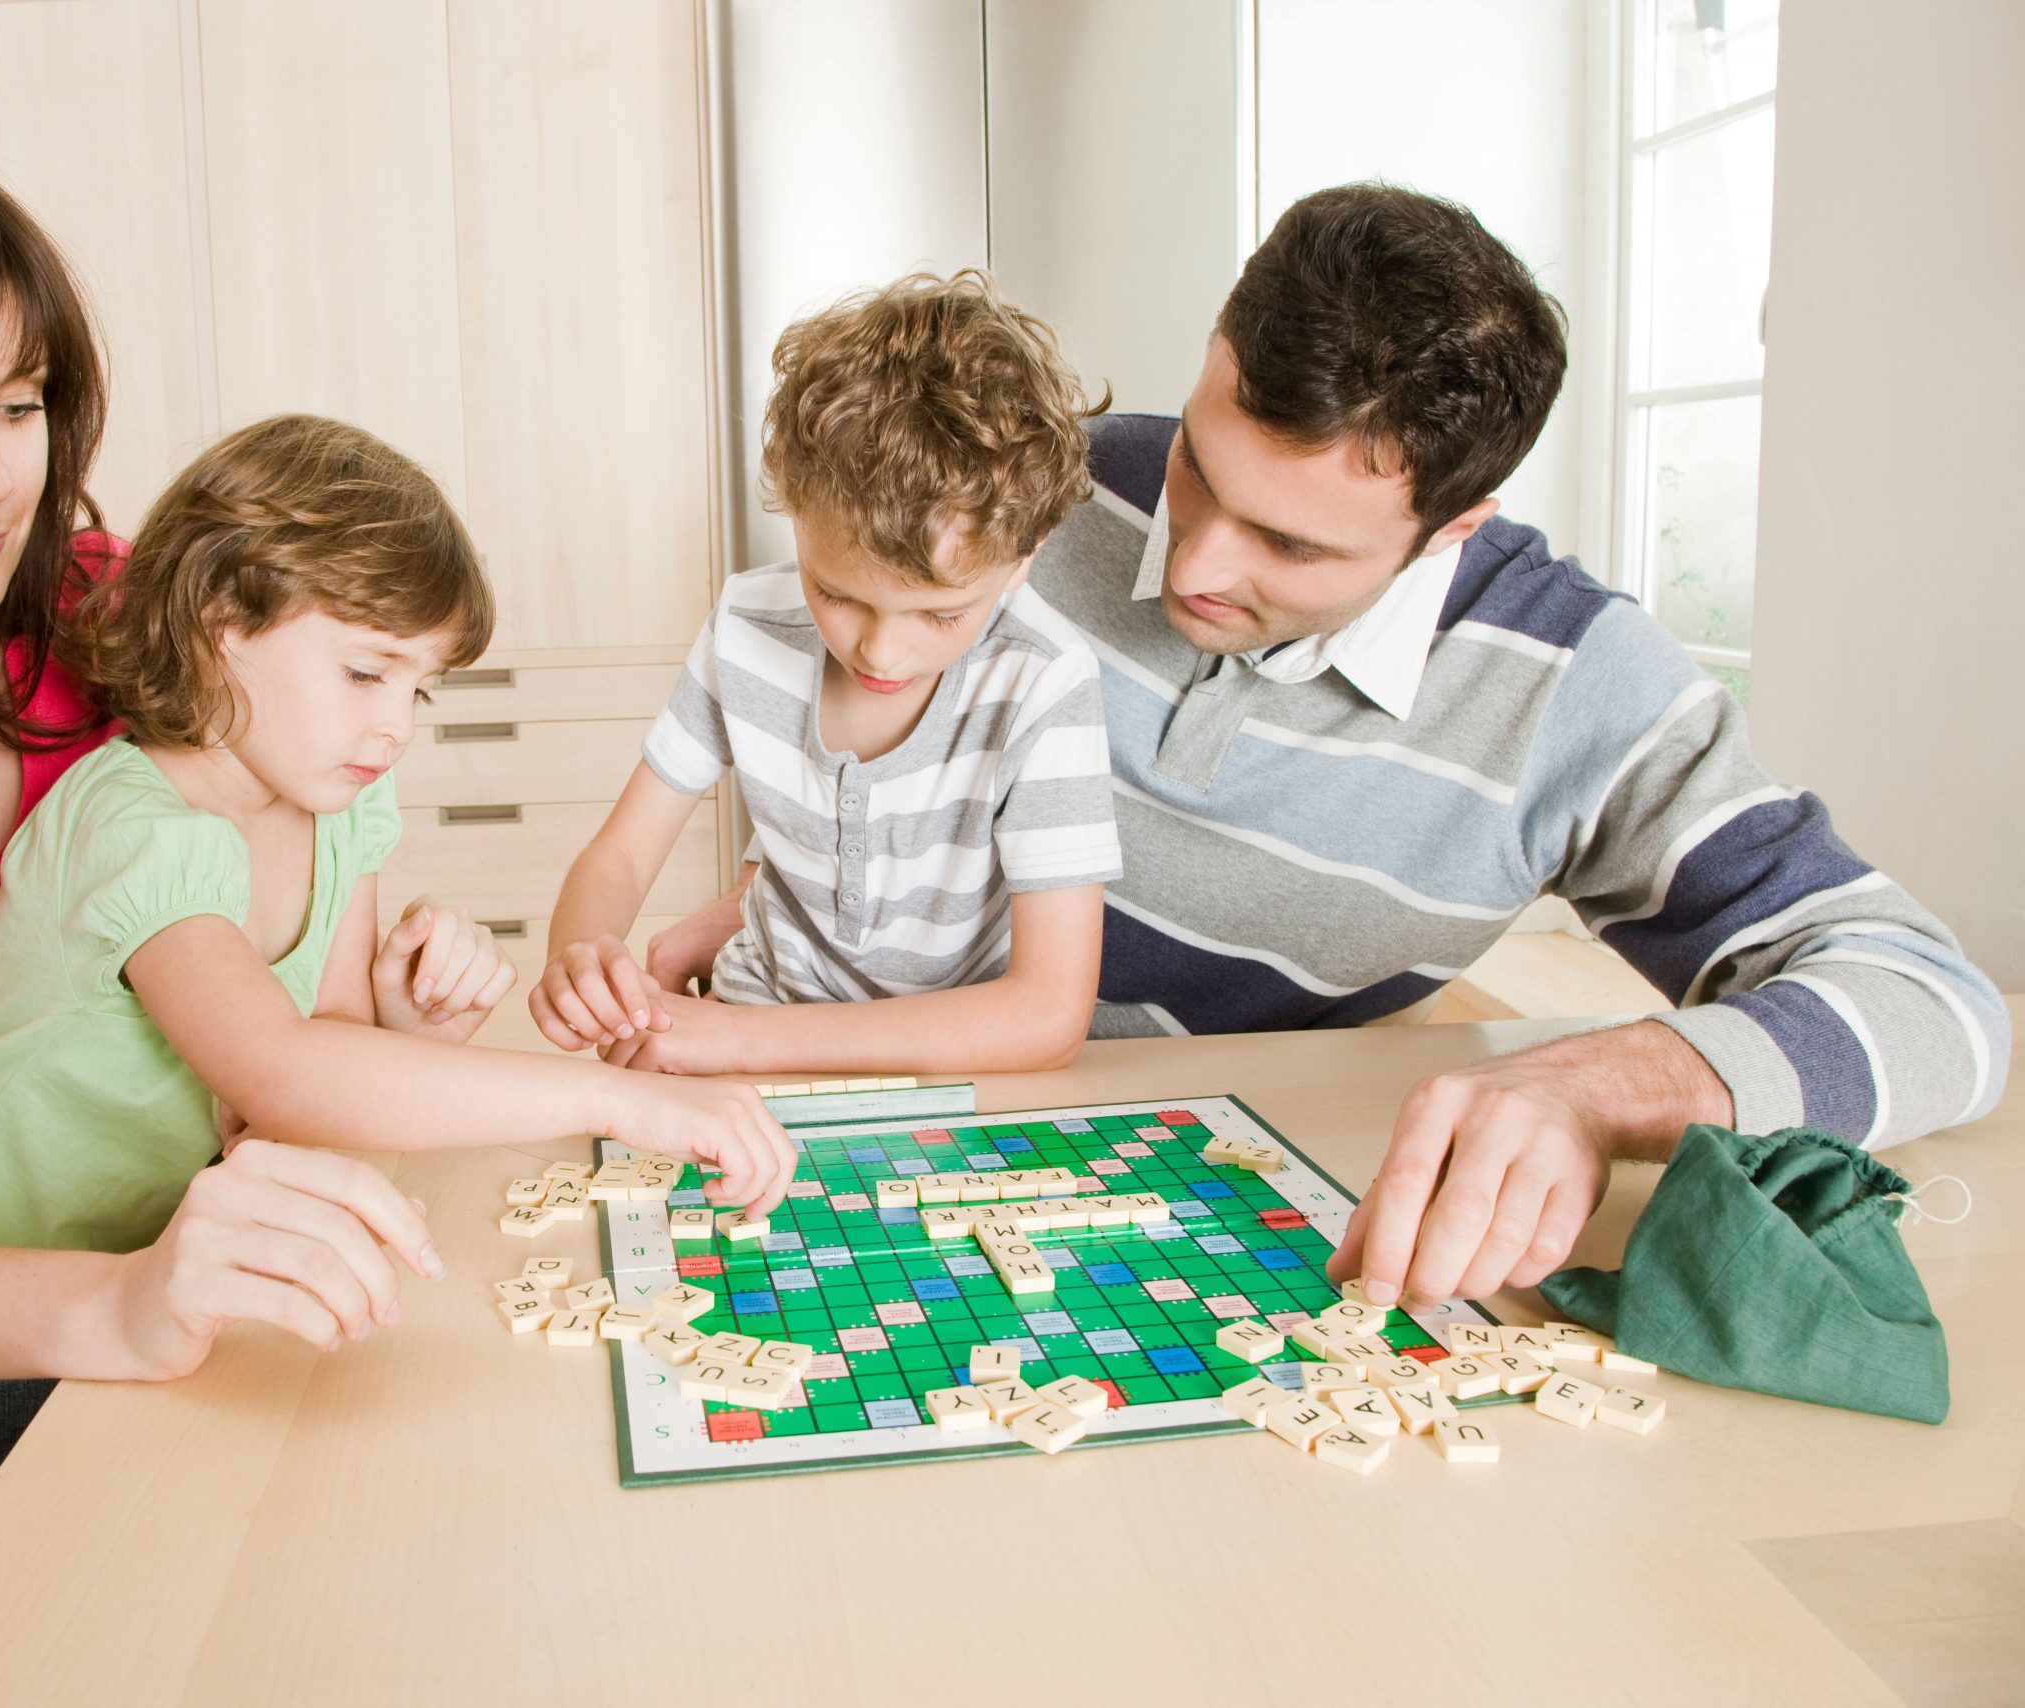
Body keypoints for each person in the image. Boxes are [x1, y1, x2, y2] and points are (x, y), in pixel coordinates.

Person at [0, 409, 797, 1707]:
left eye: (421, 687)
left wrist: (413, 1026)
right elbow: (285, 1075)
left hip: (82, 1303)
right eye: (364, 673)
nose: (397, 725)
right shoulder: (135, 822)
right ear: (214, 627)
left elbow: (326, 1055)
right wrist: (625, 1094)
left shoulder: (342, 802)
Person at [646, 185, 2009, 1311]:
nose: (1195, 564)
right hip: (847, 1120)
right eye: (1197, 468)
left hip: (1199, 1231)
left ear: (1452, 530)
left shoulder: (1578, 685)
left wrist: (1605, 1081)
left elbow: (1938, 1002)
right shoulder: (1029, 492)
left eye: (1291, 545)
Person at [530, 273, 1121, 1076]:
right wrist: (583, 956)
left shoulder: (1045, 684)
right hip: (754, 1017)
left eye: (939, 615)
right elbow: (623, 855)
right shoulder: (745, 625)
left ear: (1026, 557)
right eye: (836, 594)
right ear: (797, 515)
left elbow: (1048, 1016)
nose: (880, 652)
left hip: (956, 1064)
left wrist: (732, 1042)